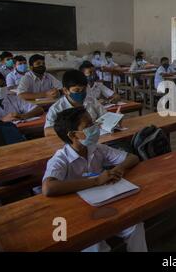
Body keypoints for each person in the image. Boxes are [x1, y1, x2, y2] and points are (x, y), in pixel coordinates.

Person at [42, 107, 147, 252]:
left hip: (104, 201)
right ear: (73, 135)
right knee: (95, 244)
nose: (95, 127)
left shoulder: (96, 148)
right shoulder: (61, 158)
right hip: (76, 211)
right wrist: (96, 181)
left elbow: (133, 158)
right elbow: (48, 187)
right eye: (88, 125)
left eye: (93, 122)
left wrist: (119, 168)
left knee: (135, 225)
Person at [44, 69, 106, 137]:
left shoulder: (91, 101)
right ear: (65, 90)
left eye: (84, 90)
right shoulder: (56, 108)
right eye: (76, 90)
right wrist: (76, 131)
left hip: (96, 137)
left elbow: (105, 116)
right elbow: (47, 131)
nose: (81, 93)